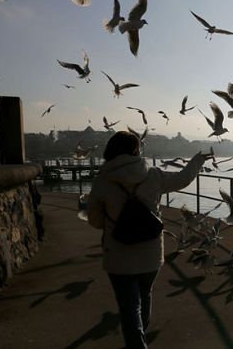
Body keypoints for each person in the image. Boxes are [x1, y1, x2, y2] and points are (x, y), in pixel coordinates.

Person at [87, 131, 206, 349]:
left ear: (110, 150)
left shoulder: (103, 179)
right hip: (150, 252)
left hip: (118, 253)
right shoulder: (153, 175)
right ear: (137, 150)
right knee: (144, 296)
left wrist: (115, 221)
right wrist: (197, 161)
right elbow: (183, 179)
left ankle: (137, 343)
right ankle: (140, 337)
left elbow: (94, 220)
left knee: (129, 307)